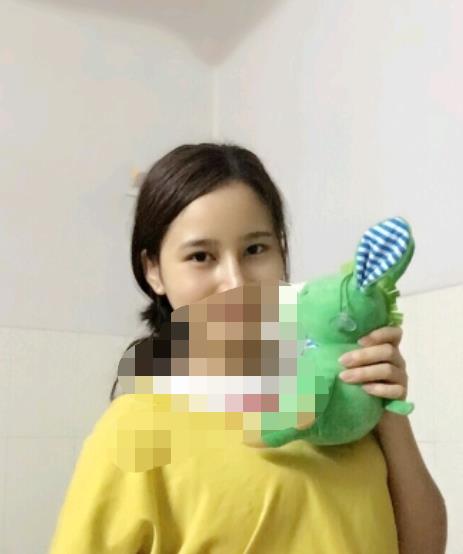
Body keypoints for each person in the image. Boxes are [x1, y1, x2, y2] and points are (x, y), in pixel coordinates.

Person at [48, 142, 400, 553]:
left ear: (281, 251)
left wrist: (385, 406)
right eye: (201, 256)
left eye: (255, 249)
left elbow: (420, 544)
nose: (235, 282)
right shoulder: (133, 429)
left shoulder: (339, 398)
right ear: (154, 271)